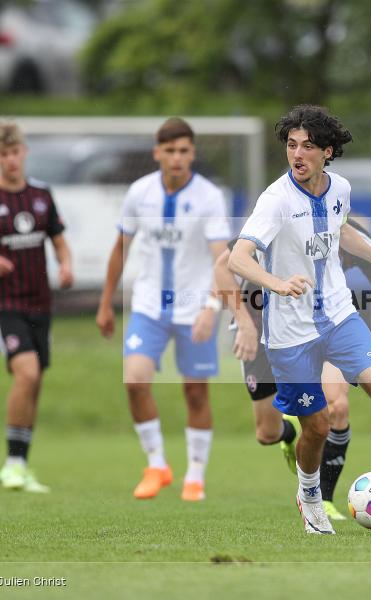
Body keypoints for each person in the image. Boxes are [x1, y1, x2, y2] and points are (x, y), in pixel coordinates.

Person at [228, 104, 371, 534]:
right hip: (290, 333)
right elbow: (237, 256)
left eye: (308, 146)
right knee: (317, 427)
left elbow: (342, 229)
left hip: (338, 315)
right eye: (291, 145)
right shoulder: (275, 200)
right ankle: (309, 497)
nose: (297, 154)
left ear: (328, 152)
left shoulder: (339, 188)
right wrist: (273, 282)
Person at [213, 218, 371, 521]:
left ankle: (322, 498)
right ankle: (289, 434)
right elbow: (223, 266)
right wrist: (244, 323)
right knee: (266, 432)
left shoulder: (354, 239)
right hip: (265, 326)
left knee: (336, 408)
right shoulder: (281, 213)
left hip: (324, 323)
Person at [96, 118, 230, 502]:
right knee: (135, 380)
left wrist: (211, 306)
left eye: (184, 151)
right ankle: (156, 464)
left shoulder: (208, 197)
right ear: (157, 153)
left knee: (195, 391)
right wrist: (106, 304)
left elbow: (222, 258)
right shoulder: (140, 193)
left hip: (195, 307)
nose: (177, 158)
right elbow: (120, 248)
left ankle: (196, 476)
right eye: (169, 151)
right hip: (149, 305)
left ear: (193, 153)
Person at [0, 120, 73, 493]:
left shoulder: (41, 194)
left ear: (24, 152)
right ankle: (11, 465)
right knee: (27, 374)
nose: (11, 160)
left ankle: (20, 464)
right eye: (3, 154)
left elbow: (58, 239)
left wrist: (66, 264)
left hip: (40, 300)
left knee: (34, 383)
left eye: (15, 152)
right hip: (5, 302)